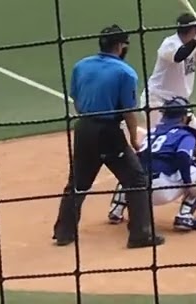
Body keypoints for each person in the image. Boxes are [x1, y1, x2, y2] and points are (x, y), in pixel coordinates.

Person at [52, 25, 164, 249]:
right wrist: (134, 138)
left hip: (83, 129)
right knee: (136, 180)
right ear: (120, 46)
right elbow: (128, 111)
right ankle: (141, 235)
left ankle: (64, 233)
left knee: (77, 183)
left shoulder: (81, 65)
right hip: (108, 133)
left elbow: (77, 101)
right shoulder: (125, 72)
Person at [107, 13, 196, 224]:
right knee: (162, 145)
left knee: (191, 134)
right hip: (157, 102)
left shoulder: (192, 44)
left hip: (179, 106)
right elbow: (179, 56)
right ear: (193, 30)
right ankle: (185, 195)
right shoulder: (170, 44)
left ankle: (121, 203)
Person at [138, 96, 196, 232]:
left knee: (134, 170)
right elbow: (183, 155)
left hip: (139, 193)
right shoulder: (185, 134)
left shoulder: (151, 133)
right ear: (184, 117)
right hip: (161, 191)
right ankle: (184, 216)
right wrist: (188, 183)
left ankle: (117, 209)